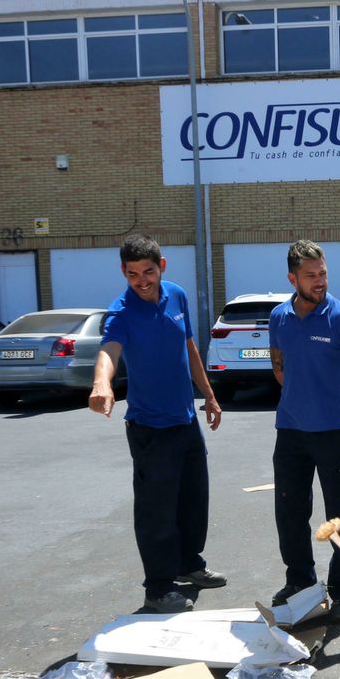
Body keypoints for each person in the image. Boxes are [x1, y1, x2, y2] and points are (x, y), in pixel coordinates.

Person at [89, 234, 225, 612]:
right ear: (124, 272)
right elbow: (109, 351)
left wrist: (209, 395)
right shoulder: (121, 312)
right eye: (133, 274)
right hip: (150, 427)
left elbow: (189, 348)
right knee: (156, 511)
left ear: (161, 266)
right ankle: (158, 586)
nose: (142, 280)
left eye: (148, 271)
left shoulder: (177, 296)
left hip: (185, 419)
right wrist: (102, 384)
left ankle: (188, 565)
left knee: (193, 501)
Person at [268, 239, 340, 624]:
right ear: (292, 278)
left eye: (323, 274)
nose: (319, 282)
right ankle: (300, 582)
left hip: (332, 431)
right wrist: (298, 394)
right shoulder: (278, 318)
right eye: (310, 276)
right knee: (290, 512)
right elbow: (278, 366)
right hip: (289, 430)